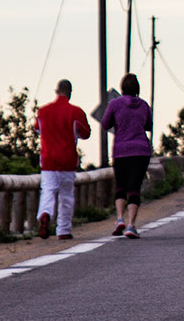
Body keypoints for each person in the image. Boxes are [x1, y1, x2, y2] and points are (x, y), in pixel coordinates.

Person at [35, 79, 91, 240]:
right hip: (67, 159)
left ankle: (45, 214)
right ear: (70, 92)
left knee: (48, 190)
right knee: (66, 195)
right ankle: (64, 230)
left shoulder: (43, 111)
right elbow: (86, 133)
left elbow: (37, 128)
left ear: (56, 91)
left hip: (48, 160)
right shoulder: (76, 112)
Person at [102, 73, 153, 239]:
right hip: (140, 151)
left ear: (122, 88)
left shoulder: (115, 104)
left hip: (121, 151)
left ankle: (119, 219)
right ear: (137, 88)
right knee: (134, 188)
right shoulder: (144, 105)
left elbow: (105, 124)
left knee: (121, 187)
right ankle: (131, 225)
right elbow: (148, 125)